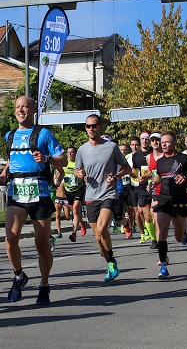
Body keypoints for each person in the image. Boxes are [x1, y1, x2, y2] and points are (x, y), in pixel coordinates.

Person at [0, 96, 67, 305]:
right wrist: (4, 173)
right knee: (10, 240)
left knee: (42, 245)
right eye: (17, 107)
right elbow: (11, 159)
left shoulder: (43, 134)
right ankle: (19, 275)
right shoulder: (10, 136)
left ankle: (44, 284)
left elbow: (63, 159)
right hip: (17, 192)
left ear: (33, 109)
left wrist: (47, 159)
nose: (20, 110)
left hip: (40, 193)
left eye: (24, 106)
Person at [74, 115, 131, 281]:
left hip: (108, 193)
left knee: (101, 229)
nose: (91, 129)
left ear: (100, 127)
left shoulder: (111, 147)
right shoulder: (82, 150)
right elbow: (76, 171)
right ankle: (111, 261)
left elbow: (127, 168)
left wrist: (116, 175)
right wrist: (79, 173)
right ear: (85, 128)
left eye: (94, 126)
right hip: (91, 195)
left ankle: (111, 259)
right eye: (88, 126)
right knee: (98, 237)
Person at [152, 131, 187, 279]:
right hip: (164, 199)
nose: (164, 145)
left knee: (179, 238)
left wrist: (186, 177)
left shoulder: (183, 158)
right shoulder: (160, 161)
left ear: (174, 144)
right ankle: (163, 266)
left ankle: (185, 232)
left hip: (180, 201)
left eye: (167, 142)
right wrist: (151, 184)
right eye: (162, 142)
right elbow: (158, 176)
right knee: (162, 231)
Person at [130, 131, 157, 246]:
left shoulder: (154, 153)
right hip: (142, 188)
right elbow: (135, 172)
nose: (145, 141)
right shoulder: (136, 155)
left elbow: (157, 170)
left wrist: (149, 177)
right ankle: (153, 239)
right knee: (146, 215)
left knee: (155, 213)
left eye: (147, 139)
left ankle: (158, 235)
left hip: (155, 186)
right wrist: (128, 173)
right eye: (143, 139)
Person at [62, 146, 88, 242]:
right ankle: (82, 223)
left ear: (75, 154)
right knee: (74, 211)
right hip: (68, 190)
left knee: (76, 210)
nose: (70, 154)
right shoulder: (64, 163)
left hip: (78, 189)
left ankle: (74, 233)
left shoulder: (79, 163)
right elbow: (59, 173)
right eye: (68, 152)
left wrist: (83, 176)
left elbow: (84, 174)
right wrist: (57, 180)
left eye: (72, 152)